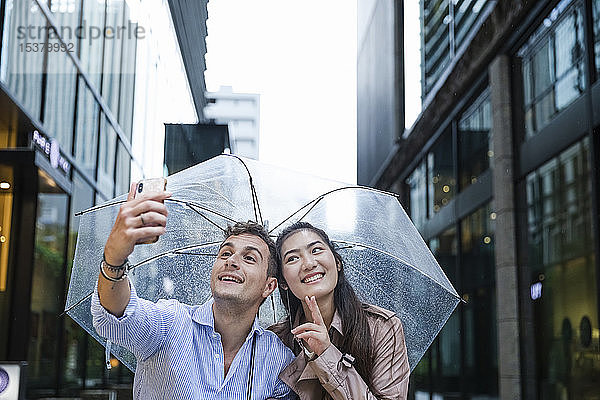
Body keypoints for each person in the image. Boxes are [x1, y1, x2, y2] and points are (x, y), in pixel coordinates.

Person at [92, 183, 295, 400]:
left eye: (249, 258)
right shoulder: (170, 323)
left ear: (269, 286)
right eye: (225, 253)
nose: (232, 261)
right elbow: (117, 315)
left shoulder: (279, 361)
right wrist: (114, 258)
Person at [269, 222, 410, 399]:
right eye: (292, 258)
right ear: (283, 282)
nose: (309, 263)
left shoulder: (381, 327)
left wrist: (326, 354)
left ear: (337, 263)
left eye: (316, 250)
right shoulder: (274, 340)